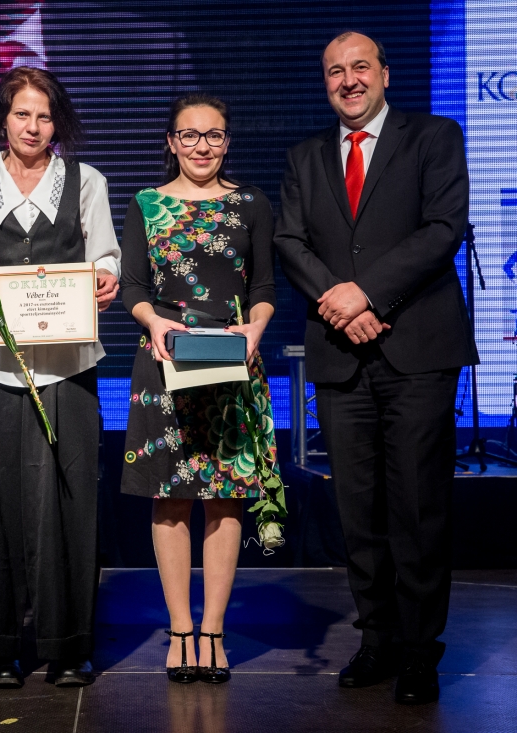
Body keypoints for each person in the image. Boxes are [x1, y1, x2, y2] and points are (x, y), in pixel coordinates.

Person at [274, 32, 476, 705]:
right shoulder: (305, 156)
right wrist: (342, 305)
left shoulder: (435, 137)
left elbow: (443, 228)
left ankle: (419, 652)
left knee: (417, 509)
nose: (349, 80)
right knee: (357, 512)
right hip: (341, 355)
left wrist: (366, 293)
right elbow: (290, 241)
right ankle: (378, 639)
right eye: (335, 71)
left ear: (385, 74)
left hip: (418, 351)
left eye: (360, 67)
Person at [0, 66, 120, 689]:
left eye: (45, 116)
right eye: (22, 114)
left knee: (67, 499)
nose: (33, 127)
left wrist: (105, 276)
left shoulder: (86, 181)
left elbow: (105, 255)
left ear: (57, 123)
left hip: (67, 363)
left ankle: (67, 644)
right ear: (3, 118)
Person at [119, 93, 280, 685]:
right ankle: (181, 631)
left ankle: (213, 631)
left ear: (227, 141)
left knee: (225, 497)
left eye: (213, 135)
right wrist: (155, 323)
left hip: (232, 364)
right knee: (170, 497)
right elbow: (134, 285)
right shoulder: (147, 203)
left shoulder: (251, 203)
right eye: (189, 135)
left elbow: (264, 286)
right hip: (165, 362)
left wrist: (255, 329)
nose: (201, 146)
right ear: (171, 142)